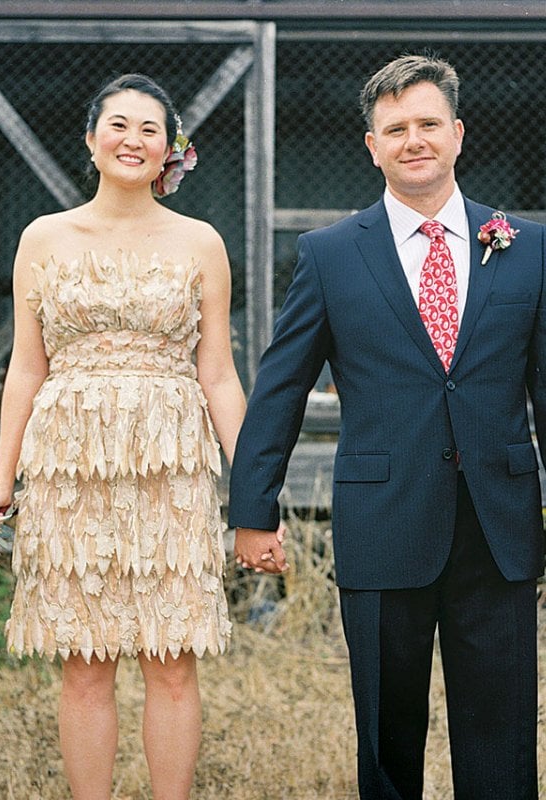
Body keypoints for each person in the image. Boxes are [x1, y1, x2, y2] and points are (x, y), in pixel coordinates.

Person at [229, 54, 545, 799]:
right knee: (386, 732)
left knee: (502, 733)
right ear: (371, 145)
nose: (414, 140)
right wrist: (253, 511)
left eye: (428, 123)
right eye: (395, 128)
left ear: (458, 133)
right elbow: (281, 388)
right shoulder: (331, 255)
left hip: (498, 526)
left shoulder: (526, 247)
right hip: (382, 519)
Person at [0, 72, 247, 800]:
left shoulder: (201, 242)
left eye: (150, 129)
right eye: (119, 124)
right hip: (71, 468)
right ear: (91, 140)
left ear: (171, 150)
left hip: (171, 468)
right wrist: (4, 480)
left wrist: (257, 482)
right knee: (85, 658)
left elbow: (220, 375)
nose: (134, 139)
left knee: (172, 657)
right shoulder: (44, 237)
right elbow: (25, 367)